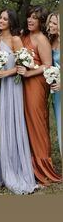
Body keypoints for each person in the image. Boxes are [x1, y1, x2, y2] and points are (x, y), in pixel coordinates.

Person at [0, 9, 37, 194]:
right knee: (0, 125)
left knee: (11, 123)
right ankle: (1, 171)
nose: (1, 20)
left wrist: (5, 73)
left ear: (11, 22)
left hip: (11, 85)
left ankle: (15, 170)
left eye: (5, 18)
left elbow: (22, 65)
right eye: (0, 17)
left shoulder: (15, 40)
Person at [17, 5, 61, 185]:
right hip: (22, 85)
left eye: (34, 18)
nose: (30, 20)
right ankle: (28, 166)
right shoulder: (24, 36)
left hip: (36, 83)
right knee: (25, 123)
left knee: (37, 123)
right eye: (29, 17)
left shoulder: (42, 39)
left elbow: (47, 64)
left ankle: (43, 167)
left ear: (40, 21)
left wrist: (28, 73)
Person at [46, 12, 61, 155]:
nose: (50, 25)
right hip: (56, 93)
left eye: (54, 23)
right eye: (50, 22)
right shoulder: (50, 41)